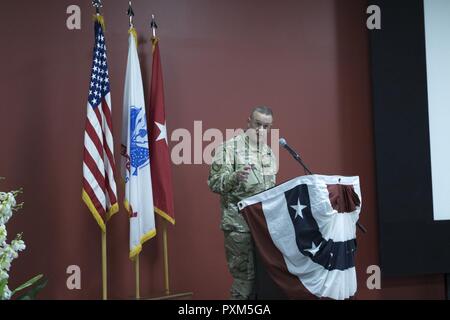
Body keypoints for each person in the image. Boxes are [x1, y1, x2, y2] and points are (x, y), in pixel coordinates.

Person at [207, 106, 277, 299]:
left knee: (264, 281)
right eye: (257, 124)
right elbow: (213, 183)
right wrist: (235, 177)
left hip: (263, 228)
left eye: (266, 126)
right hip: (239, 227)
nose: (260, 130)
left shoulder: (269, 154)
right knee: (244, 281)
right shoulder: (229, 149)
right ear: (248, 121)